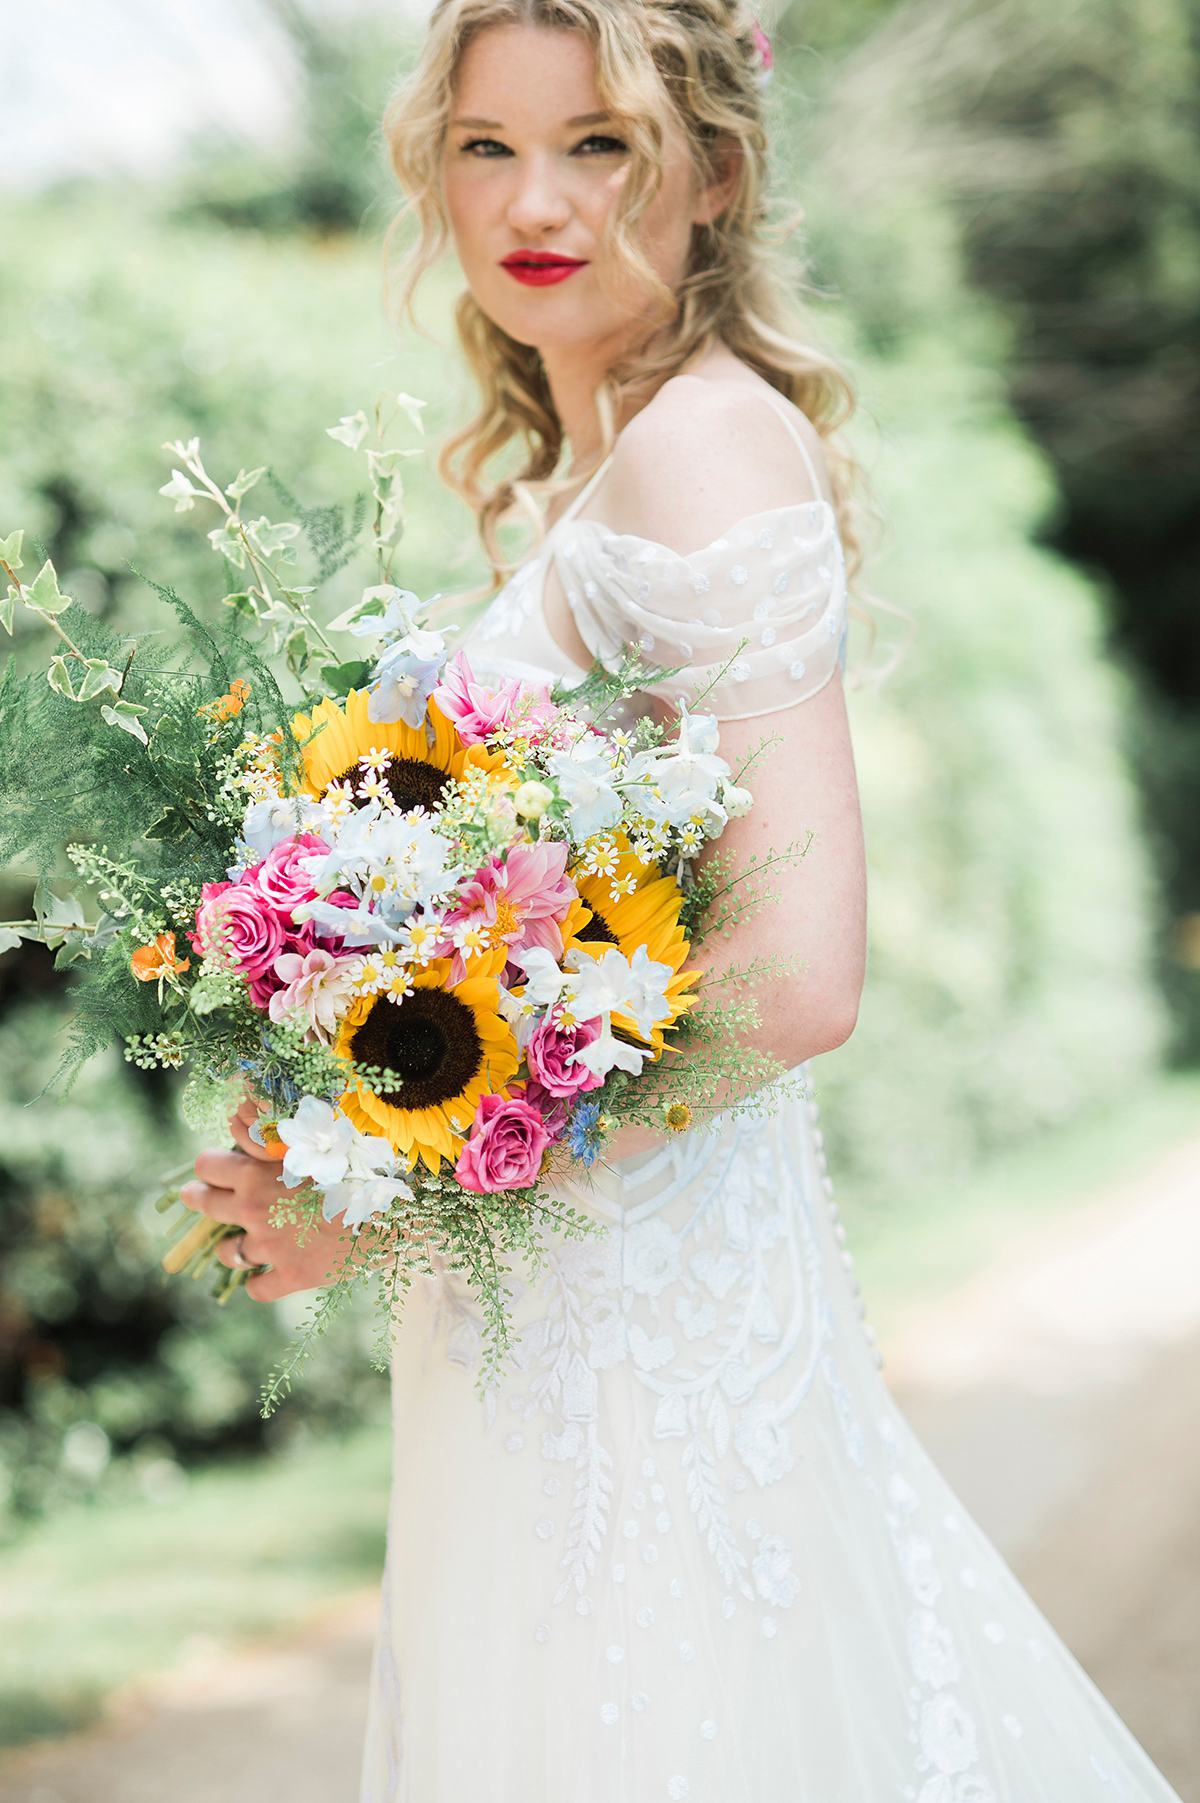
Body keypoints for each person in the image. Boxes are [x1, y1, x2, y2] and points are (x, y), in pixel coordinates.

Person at [182, 2, 1184, 1798]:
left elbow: (795, 977)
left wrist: (397, 1192)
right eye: (487, 145)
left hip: (643, 1337)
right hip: (554, 1307)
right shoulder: (594, 466)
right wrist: (349, 1082)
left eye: (601, 144)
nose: (534, 200)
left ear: (712, 174)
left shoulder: (698, 451)